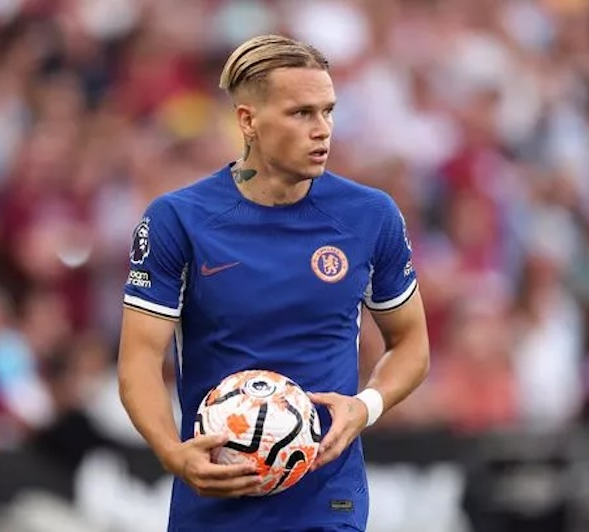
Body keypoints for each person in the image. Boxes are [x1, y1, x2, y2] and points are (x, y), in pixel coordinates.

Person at [118, 34, 430, 532]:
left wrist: (365, 407)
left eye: (328, 111)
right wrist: (173, 453)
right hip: (216, 502)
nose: (322, 129)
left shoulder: (370, 216)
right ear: (248, 121)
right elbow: (138, 361)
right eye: (301, 113)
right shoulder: (178, 220)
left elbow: (411, 342)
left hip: (327, 502)